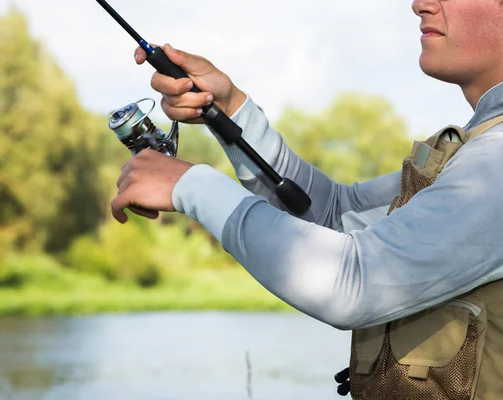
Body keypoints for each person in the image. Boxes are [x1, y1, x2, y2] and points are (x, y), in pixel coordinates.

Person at [112, 0, 503, 397]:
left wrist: (192, 186)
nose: (420, 4)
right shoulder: (481, 148)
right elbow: (333, 216)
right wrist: (229, 110)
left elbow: (356, 281)